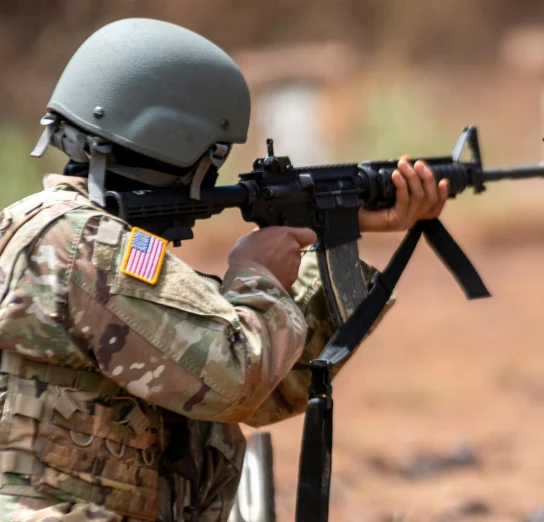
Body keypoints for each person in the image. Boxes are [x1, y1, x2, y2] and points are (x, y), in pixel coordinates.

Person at [0, 18, 449, 522]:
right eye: (215, 157)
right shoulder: (90, 247)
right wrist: (254, 275)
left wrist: (337, 231)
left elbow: (271, 388)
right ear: (181, 145)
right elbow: (234, 382)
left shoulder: (57, 234)